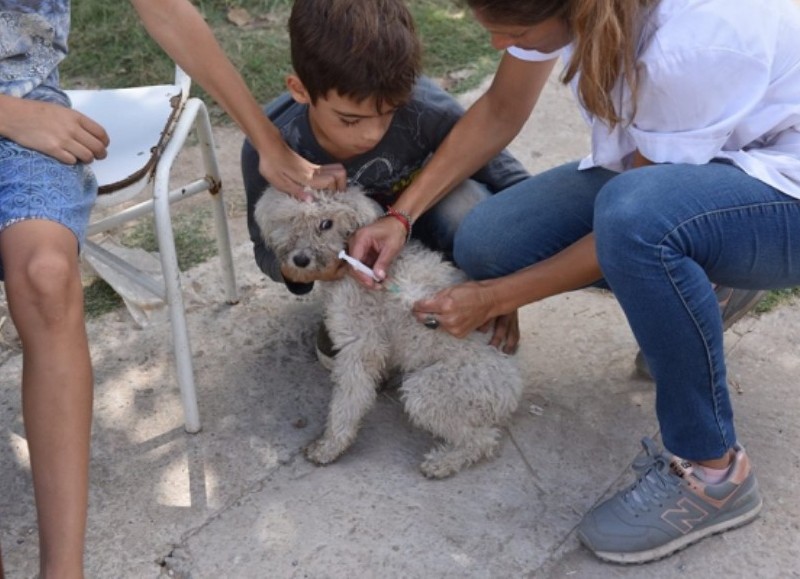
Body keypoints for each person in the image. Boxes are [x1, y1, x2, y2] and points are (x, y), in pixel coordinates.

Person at [348, 0, 800, 565]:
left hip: (786, 192)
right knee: (491, 241)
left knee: (636, 221)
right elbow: (501, 109)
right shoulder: (574, 9)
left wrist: (497, 296)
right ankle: (710, 281)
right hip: (714, 161)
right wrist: (402, 216)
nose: (495, 46)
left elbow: (632, 224)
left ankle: (711, 473)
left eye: (511, 33)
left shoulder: (691, 45)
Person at [0, 1, 343, 577]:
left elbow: (167, 10)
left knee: (46, 275)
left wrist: (270, 145)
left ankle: (63, 571)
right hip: (13, 113)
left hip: (29, 105)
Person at [241, 0, 530, 364]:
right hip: (354, 275)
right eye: (349, 120)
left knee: (467, 204)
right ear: (300, 90)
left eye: (389, 113)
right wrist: (301, 269)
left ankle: (460, 298)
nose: (371, 134)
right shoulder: (272, 146)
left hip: (432, 254)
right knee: (353, 359)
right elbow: (264, 247)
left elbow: (516, 190)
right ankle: (365, 321)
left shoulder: (428, 110)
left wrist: (502, 288)